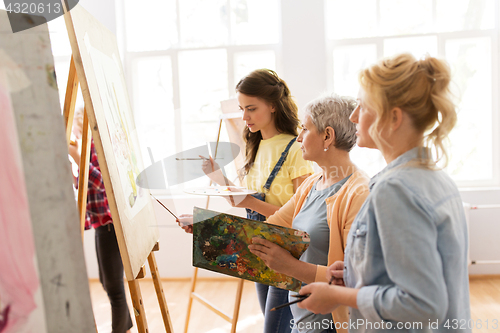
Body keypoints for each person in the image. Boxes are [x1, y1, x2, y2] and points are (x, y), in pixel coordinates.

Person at [297, 53, 472, 333]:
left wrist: (339, 296)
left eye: (363, 107)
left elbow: (422, 304)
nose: (353, 116)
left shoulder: (396, 190)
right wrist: (356, 272)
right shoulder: (436, 178)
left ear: (393, 117)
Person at [180, 95, 370, 333]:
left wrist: (291, 267)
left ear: (327, 136)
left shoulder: (359, 192)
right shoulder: (312, 184)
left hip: (332, 324)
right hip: (303, 318)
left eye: (305, 128)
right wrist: (205, 229)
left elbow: (355, 278)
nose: (299, 137)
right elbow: (264, 232)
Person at [181, 69, 314, 333]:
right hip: (258, 247)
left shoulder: (296, 149)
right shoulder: (256, 147)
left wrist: (250, 204)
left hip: (286, 253)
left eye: (251, 108)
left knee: (274, 329)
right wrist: (219, 179)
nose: (244, 117)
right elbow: (244, 200)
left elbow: (301, 217)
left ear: (273, 105)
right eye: (242, 108)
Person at [69, 108, 133, 333]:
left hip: (110, 225)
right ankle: (126, 323)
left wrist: (76, 155)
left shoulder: (96, 148)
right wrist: (74, 175)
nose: (74, 133)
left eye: (76, 128)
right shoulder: (88, 149)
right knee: (105, 281)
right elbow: (87, 183)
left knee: (114, 287)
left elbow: (101, 183)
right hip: (100, 224)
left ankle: (120, 329)